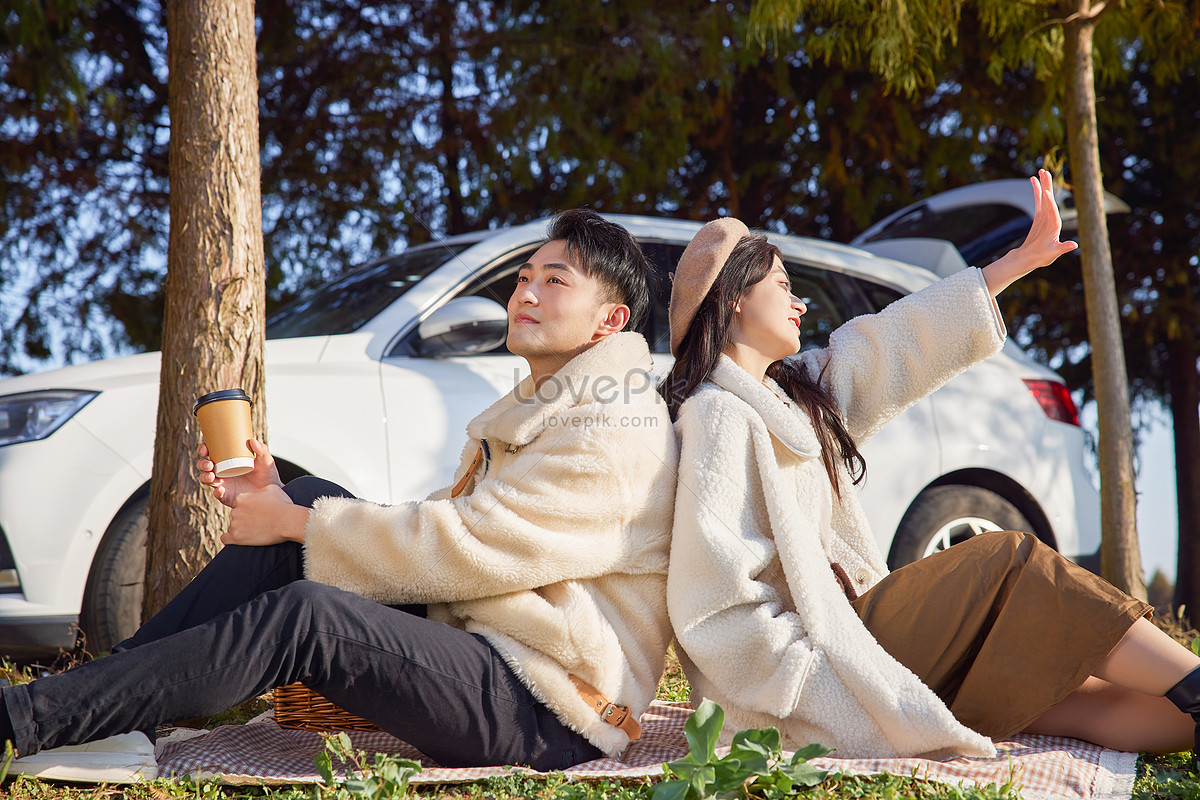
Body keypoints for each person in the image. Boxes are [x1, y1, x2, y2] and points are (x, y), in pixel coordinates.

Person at [1, 209, 679, 773]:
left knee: (309, 615)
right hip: (490, 647)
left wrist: (299, 525)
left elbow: (478, 547)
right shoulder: (547, 405)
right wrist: (292, 507)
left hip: (551, 703)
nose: (525, 293)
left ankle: (29, 719)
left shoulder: (612, 424)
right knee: (311, 495)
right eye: (524, 277)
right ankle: (102, 706)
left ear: (609, 322)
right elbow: (463, 534)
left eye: (554, 282)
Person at [661, 170, 1200, 761]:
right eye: (785, 285)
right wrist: (798, 685)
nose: (801, 301)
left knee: (1072, 693)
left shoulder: (798, 394)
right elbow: (714, 599)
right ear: (735, 297)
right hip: (828, 658)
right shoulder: (715, 415)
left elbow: (894, 341)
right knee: (1009, 558)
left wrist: (1015, 264)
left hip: (867, 637)